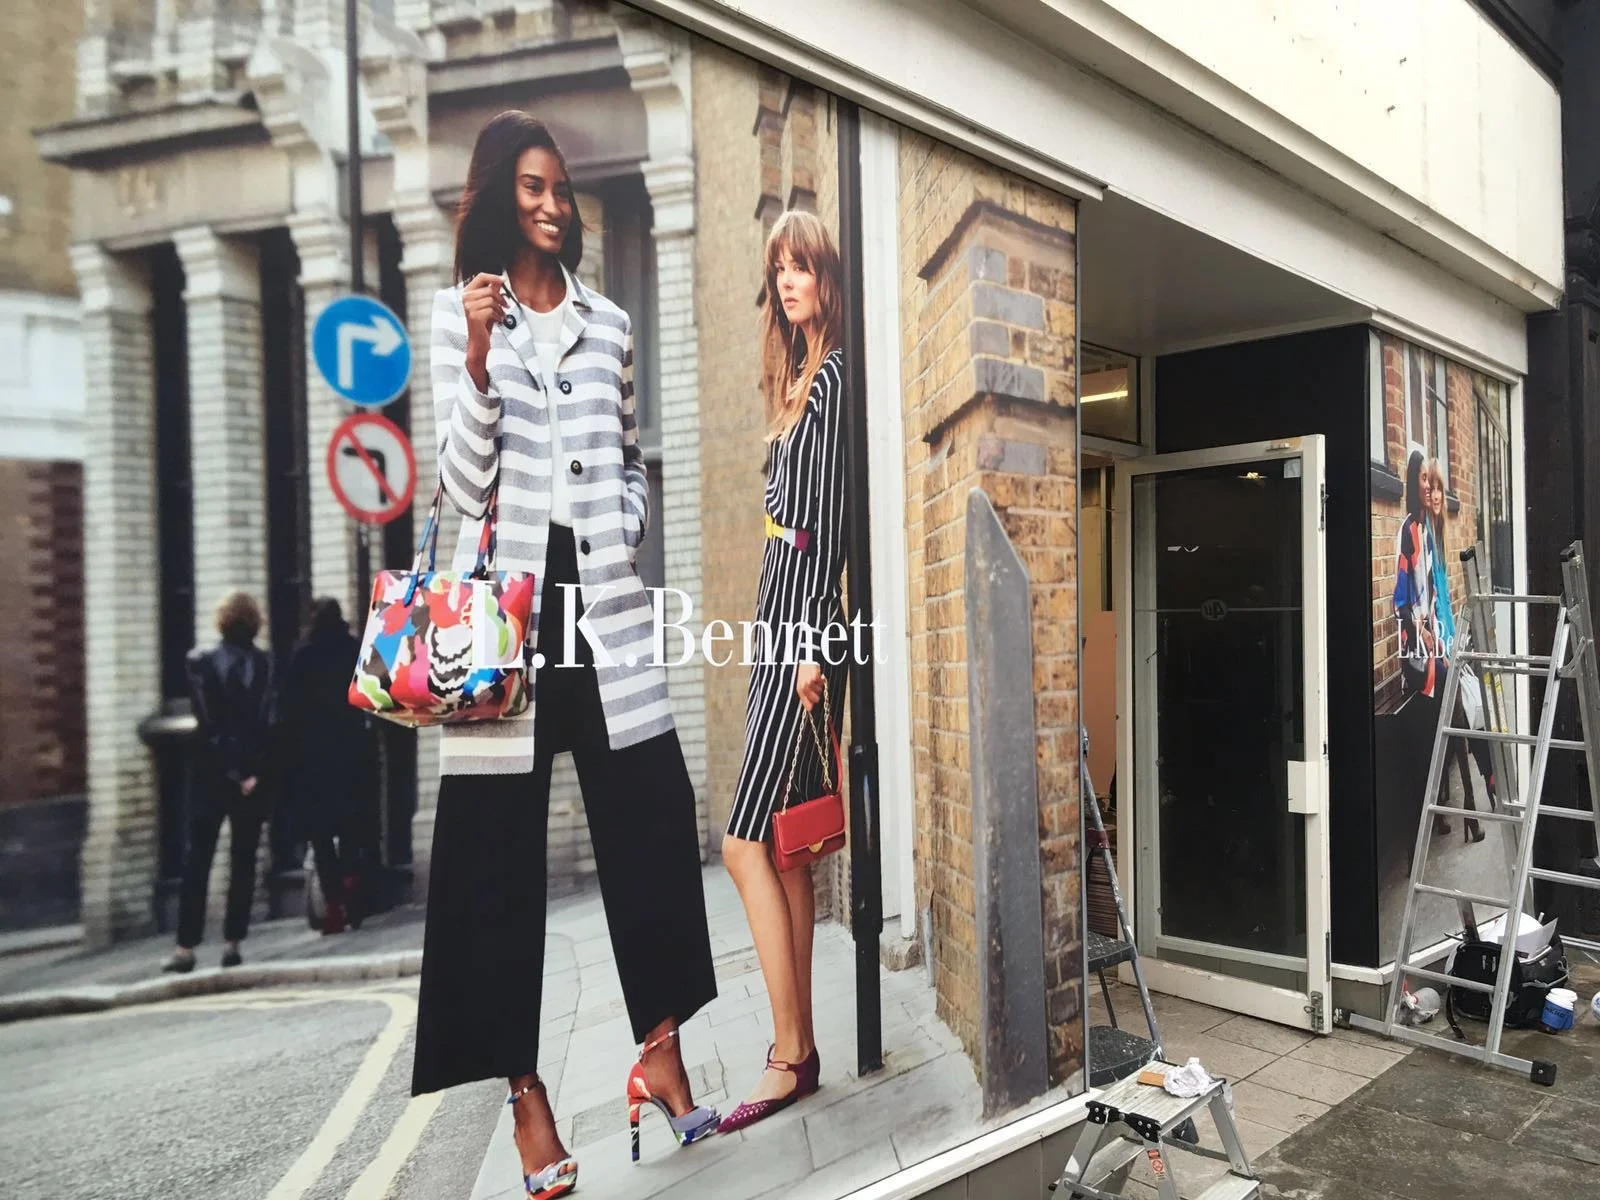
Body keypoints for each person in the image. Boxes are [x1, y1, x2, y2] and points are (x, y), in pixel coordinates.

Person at [412, 110, 718, 1200]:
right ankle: (525, 1097)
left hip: (602, 608)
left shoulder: (609, 323)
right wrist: (483, 361)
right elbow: (459, 486)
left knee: (645, 817)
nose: (551, 204)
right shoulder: (460, 322)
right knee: (496, 865)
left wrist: (628, 525)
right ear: (500, 198)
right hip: (503, 621)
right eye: (530, 187)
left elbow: (630, 453)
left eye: (560, 187)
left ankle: (663, 1053)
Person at [718, 210, 849, 1134]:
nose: (789, 279)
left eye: (801, 264)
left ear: (825, 276)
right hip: (776, 622)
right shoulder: (795, 379)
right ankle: (801, 1054)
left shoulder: (833, 378)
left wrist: (807, 644)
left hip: (801, 627)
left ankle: (788, 1050)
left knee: (742, 844)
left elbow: (830, 520)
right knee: (788, 845)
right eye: (779, 267)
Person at [162, 592, 273, 973]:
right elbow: (268, 724)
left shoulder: (201, 662)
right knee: (243, 861)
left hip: (211, 774)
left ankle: (185, 949)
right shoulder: (266, 663)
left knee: (198, 861)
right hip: (252, 777)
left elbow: (209, 722)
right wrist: (251, 773)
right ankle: (232, 943)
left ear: (221, 621)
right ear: (254, 621)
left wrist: (234, 770)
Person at [278, 597, 380, 933]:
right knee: (352, 827)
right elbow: (373, 691)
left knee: (321, 836)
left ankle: (334, 904)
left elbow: (288, 713)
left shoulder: (302, 657)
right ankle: (352, 886)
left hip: (313, 758)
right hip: (352, 752)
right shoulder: (354, 648)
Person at [1423, 458, 1487, 843]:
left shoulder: (1437, 533)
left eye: (1439, 488)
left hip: (1447, 649)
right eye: (1428, 486)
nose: (1434, 494)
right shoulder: (1421, 537)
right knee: (1458, 731)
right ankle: (1471, 817)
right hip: (1434, 657)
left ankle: (1457, 813)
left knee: (1454, 735)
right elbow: (1425, 604)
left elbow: (1444, 603)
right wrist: (1444, 649)